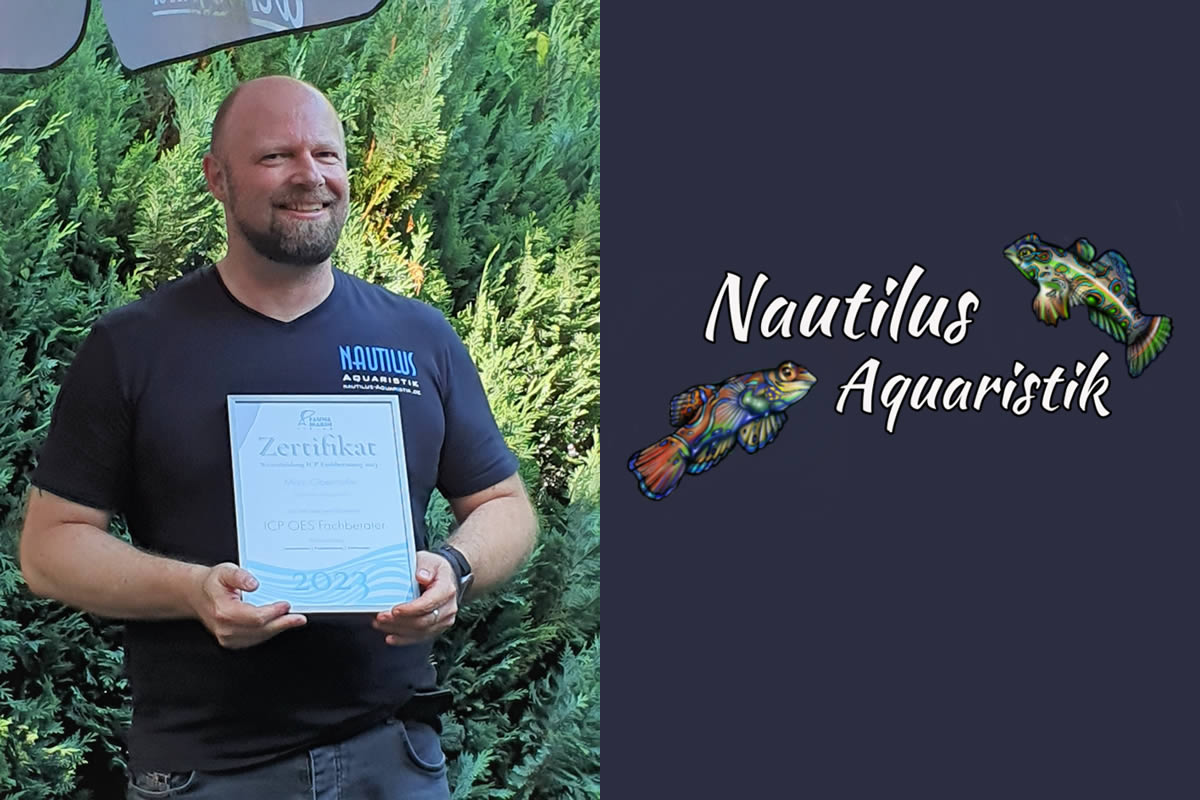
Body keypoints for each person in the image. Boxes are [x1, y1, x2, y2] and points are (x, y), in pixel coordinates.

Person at [18, 76, 537, 799]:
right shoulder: (133, 347)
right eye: (275, 156)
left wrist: (456, 568)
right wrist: (193, 591)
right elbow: (49, 548)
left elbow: (506, 506)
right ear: (217, 178)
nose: (309, 175)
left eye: (326, 154)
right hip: (207, 774)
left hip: (394, 759)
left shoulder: (417, 337)